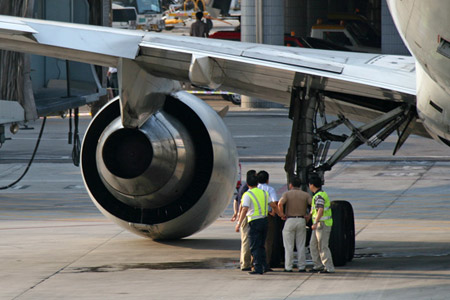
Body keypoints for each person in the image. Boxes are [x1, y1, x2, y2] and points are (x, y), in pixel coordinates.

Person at [235, 175, 277, 275]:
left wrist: (239, 223)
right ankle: (264, 266)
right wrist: (280, 214)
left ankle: (257, 268)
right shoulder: (264, 193)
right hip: (264, 220)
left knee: (254, 246)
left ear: (248, 184)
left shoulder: (247, 194)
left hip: (254, 222)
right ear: (257, 183)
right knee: (262, 245)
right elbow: (273, 205)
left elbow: (244, 209)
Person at [277, 177, 311, 272]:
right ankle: (302, 266)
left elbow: (280, 204)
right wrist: (309, 215)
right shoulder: (305, 195)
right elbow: (313, 204)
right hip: (301, 220)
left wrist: (282, 214)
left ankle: (288, 266)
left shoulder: (287, 194)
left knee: (288, 246)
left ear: (291, 185)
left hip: (290, 219)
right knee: (301, 245)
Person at [307, 174, 335, 273]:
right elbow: (315, 209)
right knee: (313, 245)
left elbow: (320, 210)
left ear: (312, 185)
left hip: (322, 224)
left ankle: (329, 267)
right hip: (319, 225)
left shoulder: (319, 196)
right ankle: (317, 265)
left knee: (323, 246)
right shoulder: (317, 196)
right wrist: (309, 215)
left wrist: (315, 222)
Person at [231, 170, 256, 271]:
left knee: (246, 240)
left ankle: (245, 262)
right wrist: (239, 220)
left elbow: (236, 200)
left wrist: (235, 212)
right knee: (246, 240)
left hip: (244, 215)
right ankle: (245, 264)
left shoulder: (243, 187)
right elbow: (243, 206)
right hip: (246, 216)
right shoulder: (247, 189)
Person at [257, 170, 278, 269]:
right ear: (267, 180)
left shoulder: (254, 189)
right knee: (268, 241)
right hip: (267, 216)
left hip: (255, 216)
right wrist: (273, 213)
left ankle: (255, 263)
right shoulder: (270, 189)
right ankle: (265, 264)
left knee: (255, 241)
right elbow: (275, 202)